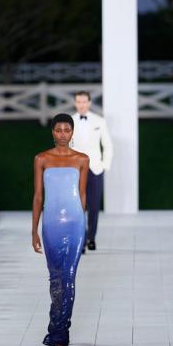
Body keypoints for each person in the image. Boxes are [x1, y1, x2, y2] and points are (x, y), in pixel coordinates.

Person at [32, 113, 89, 346]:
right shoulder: (41, 158)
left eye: (67, 130)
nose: (63, 134)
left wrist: (84, 224)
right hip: (51, 224)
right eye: (58, 130)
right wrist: (33, 230)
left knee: (69, 277)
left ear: (72, 132)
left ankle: (61, 335)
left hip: (75, 223)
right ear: (52, 132)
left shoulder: (82, 159)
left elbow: (83, 195)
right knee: (55, 279)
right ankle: (55, 325)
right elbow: (38, 196)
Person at [70, 91, 113, 251]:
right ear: (75, 103)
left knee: (94, 206)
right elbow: (66, 146)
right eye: (78, 102)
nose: (81, 105)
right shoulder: (70, 122)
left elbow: (108, 145)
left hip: (95, 169)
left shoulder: (99, 121)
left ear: (89, 103)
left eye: (84, 102)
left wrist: (104, 165)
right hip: (76, 170)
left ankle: (91, 238)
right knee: (77, 207)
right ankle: (81, 239)